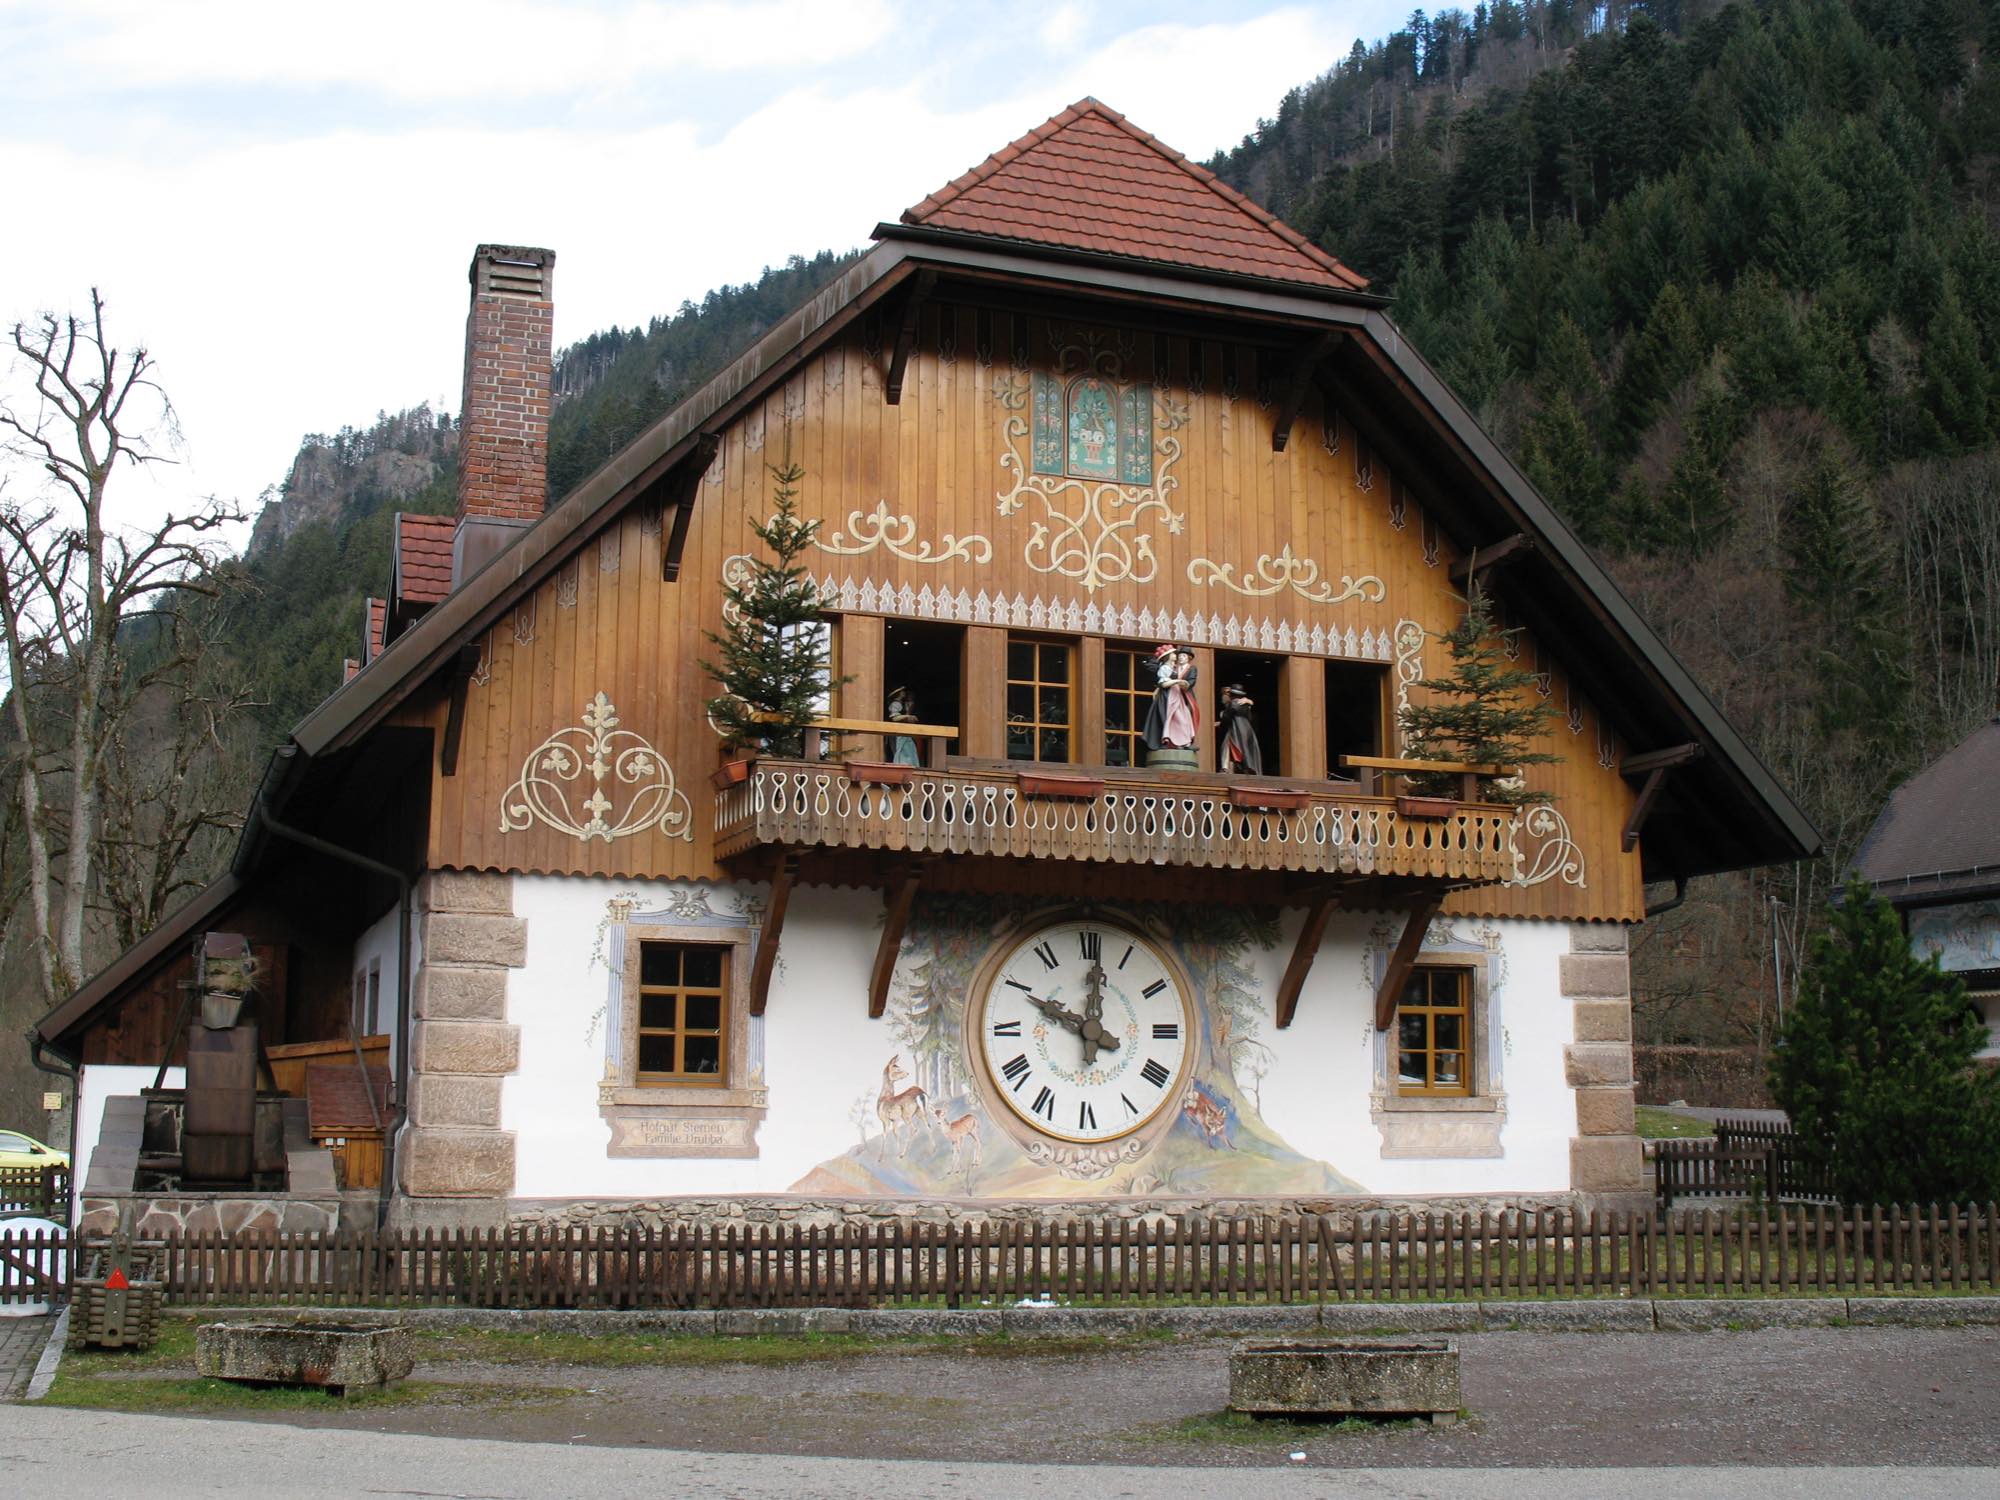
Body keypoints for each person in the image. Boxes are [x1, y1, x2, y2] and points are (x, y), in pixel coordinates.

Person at [1142, 643, 1199, 756]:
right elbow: (1163, 682)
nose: (1178, 656)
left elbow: (1190, 681)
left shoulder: (1187, 668)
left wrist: (1184, 684)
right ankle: (1171, 740)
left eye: (1183, 655)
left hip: (1179, 695)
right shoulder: (1167, 668)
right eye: (1176, 654)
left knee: (1184, 717)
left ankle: (1184, 742)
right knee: (1172, 718)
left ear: (1189, 658)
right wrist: (1177, 682)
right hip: (1171, 695)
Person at [1217, 683, 1263, 775]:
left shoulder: (1233, 703)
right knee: (1244, 749)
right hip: (1246, 730)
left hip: (1236, 729)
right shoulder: (1246, 705)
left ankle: (1225, 768)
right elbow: (1249, 717)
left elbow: (1227, 717)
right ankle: (1244, 767)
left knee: (1227, 747)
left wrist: (1221, 724)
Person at [886, 686, 921, 766]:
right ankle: (901, 764)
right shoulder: (896, 704)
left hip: (904, 732)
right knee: (901, 749)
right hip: (898, 732)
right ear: (898, 694)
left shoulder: (902, 703)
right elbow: (894, 718)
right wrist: (907, 717)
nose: (904, 693)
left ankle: (908, 764)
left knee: (908, 748)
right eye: (902, 691)